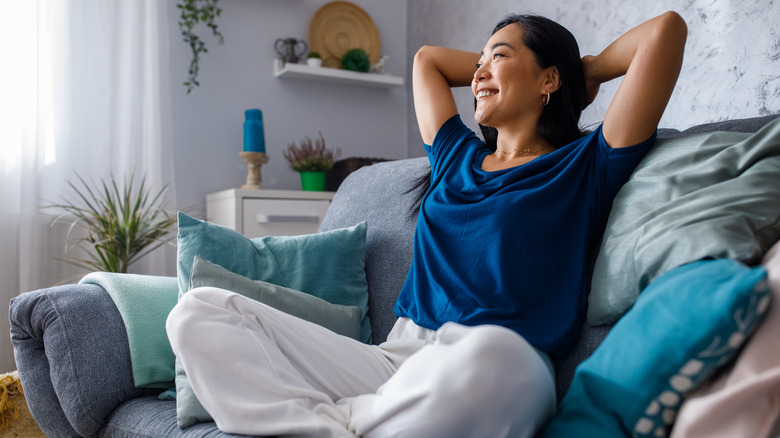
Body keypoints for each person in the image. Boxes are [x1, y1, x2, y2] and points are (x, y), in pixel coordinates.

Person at [166, 11, 687, 438]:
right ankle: (344, 425)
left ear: (549, 78)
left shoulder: (585, 165)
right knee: (199, 311)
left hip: (498, 357)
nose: (478, 74)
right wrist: (498, 64)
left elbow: (664, 32)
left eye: (498, 58)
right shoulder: (455, 157)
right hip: (398, 357)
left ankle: (348, 420)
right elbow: (427, 62)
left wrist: (582, 70)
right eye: (478, 62)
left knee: (499, 360)